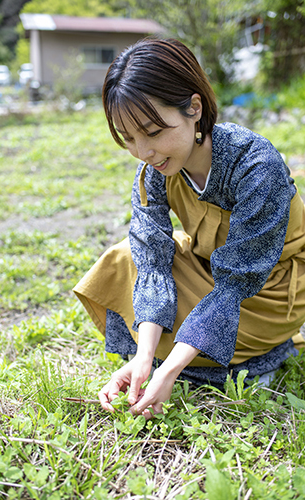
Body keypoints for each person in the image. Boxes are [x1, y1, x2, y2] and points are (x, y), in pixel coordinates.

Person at [72, 37, 305, 419]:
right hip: (209, 268)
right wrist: (146, 359)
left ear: (194, 108)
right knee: (125, 259)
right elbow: (152, 258)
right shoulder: (154, 172)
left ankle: (247, 360)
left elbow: (235, 284)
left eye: (153, 132)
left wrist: (170, 368)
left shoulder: (255, 165)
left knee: (196, 329)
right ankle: (179, 356)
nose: (143, 152)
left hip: (266, 290)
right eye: (128, 138)